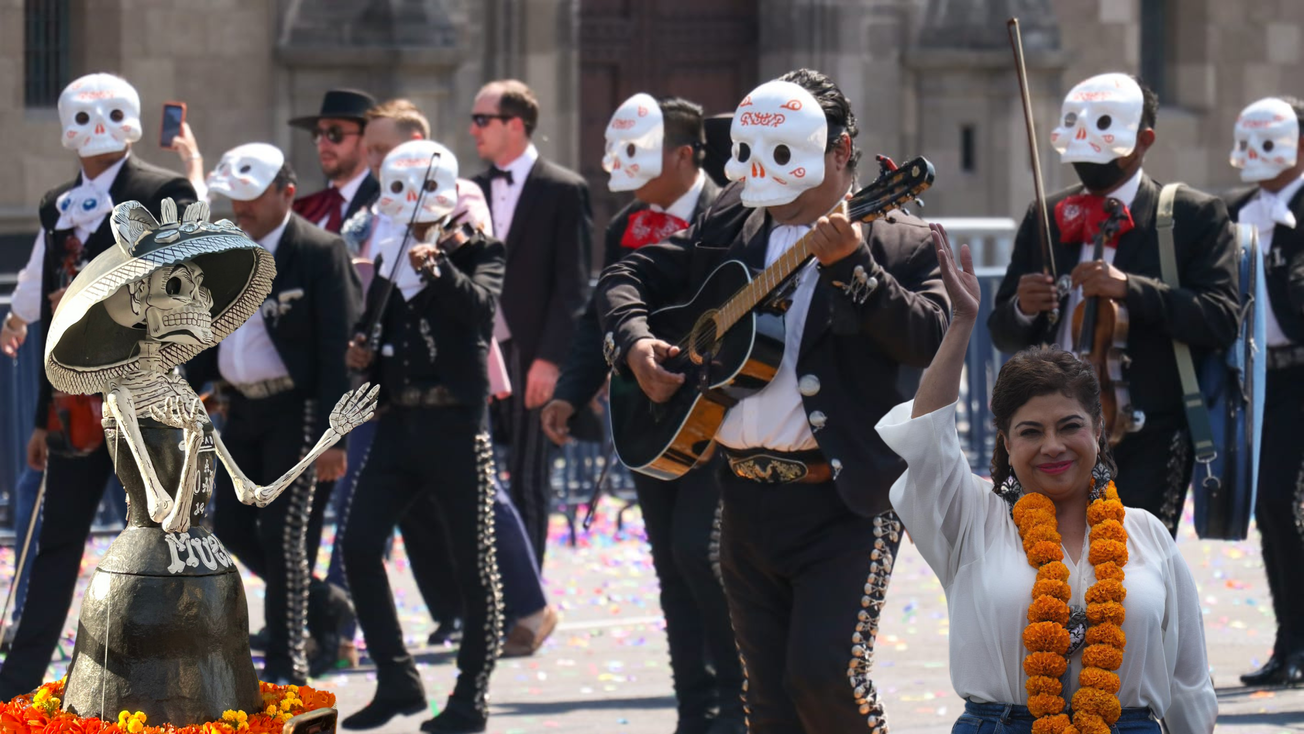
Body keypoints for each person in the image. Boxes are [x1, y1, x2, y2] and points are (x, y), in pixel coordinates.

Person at [596, 69, 950, 733]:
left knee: (825, 680)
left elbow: (930, 337)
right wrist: (637, 342)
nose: (762, 179)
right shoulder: (733, 219)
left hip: (846, 501)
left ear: (841, 152)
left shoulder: (901, 242)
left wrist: (856, 271)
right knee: (768, 705)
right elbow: (628, 274)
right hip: (745, 497)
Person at [876, 225, 1217, 732]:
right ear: (1007, 444)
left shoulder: (1146, 534)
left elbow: (1190, 681)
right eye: (1030, 431)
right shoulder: (972, 519)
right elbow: (926, 440)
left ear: (1099, 431)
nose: (1053, 445)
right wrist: (962, 324)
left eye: (1070, 426)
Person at [328, 98, 556, 666]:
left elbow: (472, 264)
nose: (375, 161)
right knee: (365, 494)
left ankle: (525, 607)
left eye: (384, 149)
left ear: (418, 145)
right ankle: (342, 626)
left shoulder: (460, 195)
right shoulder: (375, 203)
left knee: (484, 499)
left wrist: (430, 250)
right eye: (371, 150)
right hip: (386, 371)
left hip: (452, 371)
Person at [542, 93, 742, 734]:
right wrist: (571, 391)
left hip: (717, 415)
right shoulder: (624, 223)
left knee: (698, 553)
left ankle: (739, 701)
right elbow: (600, 308)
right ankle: (695, 710)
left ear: (684, 156)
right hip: (646, 417)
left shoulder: (733, 213)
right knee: (669, 566)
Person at [0, 72, 197, 700]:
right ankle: (16, 684)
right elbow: (54, 319)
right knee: (58, 543)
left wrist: (95, 301)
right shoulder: (57, 201)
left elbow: (184, 295)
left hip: (146, 398)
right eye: (81, 118)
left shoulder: (165, 188)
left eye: (107, 115)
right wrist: (39, 417)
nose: (95, 131)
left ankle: (179, 682)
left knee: (168, 542)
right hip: (75, 405)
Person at [987, 73, 1240, 536]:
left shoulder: (1193, 214)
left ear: (1145, 141)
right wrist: (1022, 308)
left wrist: (1132, 289)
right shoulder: (1045, 214)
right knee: (1043, 569)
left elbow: (1221, 319)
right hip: (1047, 433)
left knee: (1129, 574)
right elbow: (1002, 329)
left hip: (1145, 430)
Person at [339, 139, 505, 734]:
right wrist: (360, 352)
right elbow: (372, 337)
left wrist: (435, 265)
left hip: (456, 427)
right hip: (398, 426)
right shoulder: (384, 257)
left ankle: (471, 696)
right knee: (357, 545)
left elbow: (479, 313)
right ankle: (397, 677)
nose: (409, 207)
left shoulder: (479, 250)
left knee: (472, 563)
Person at [184, 142, 362, 685]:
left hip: (299, 407)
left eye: (253, 197)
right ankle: (326, 604)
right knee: (233, 525)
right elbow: (203, 330)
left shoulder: (319, 250)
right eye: (234, 197)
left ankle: (288, 663)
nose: (242, 207)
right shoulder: (222, 248)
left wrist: (336, 436)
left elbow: (338, 349)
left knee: (285, 534)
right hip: (241, 409)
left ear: (287, 192)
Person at [470, 79, 592, 567]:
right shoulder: (470, 190)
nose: (473, 129)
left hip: (531, 353)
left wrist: (549, 361)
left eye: (483, 120)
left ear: (515, 125)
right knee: (475, 476)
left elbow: (573, 286)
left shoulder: (563, 189)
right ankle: (482, 596)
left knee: (528, 478)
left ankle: (527, 600)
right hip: (480, 350)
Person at [1224, 95, 1304, 686]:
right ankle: (1290, 639)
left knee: (1284, 502)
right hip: (1261, 378)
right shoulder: (1235, 212)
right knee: (1271, 505)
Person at [290, 89, 380, 234]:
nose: (323, 144)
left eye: (335, 134)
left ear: (366, 140)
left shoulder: (382, 203)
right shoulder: (307, 208)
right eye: (318, 134)